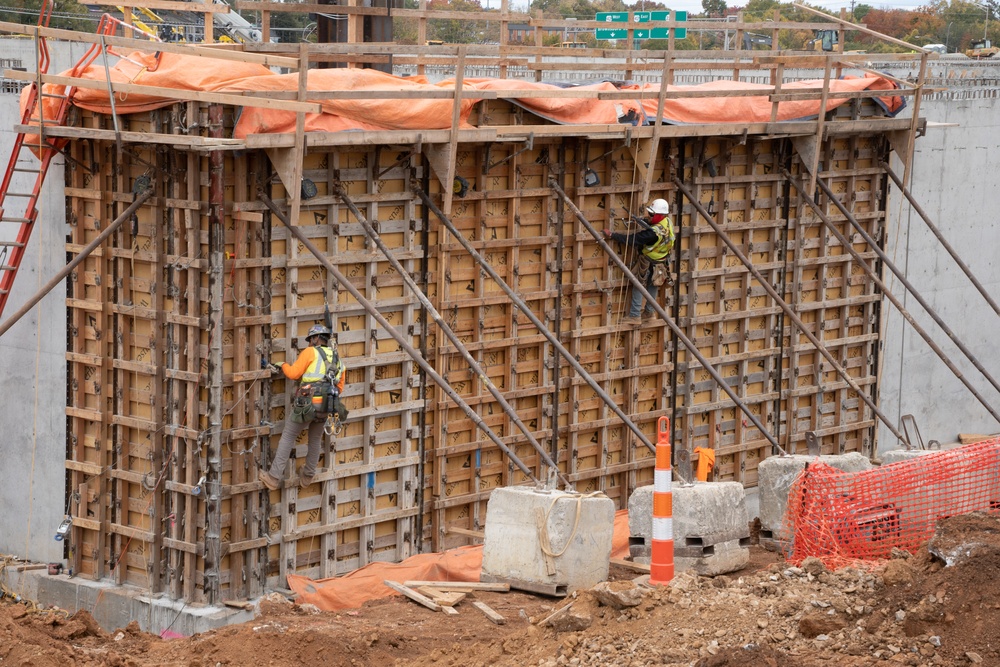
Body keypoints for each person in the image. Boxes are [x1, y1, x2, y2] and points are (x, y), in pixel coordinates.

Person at [260, 324, 346, 490]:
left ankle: (273, 477)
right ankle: (307, 476)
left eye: (310, 340)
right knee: (315, 439)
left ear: (315, 339)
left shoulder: (310, 352)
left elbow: (293, 374)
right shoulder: (338, 359)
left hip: (308, 403)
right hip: (328, 405)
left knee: (288, 435)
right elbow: (340, 388)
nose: (309, 343)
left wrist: (282, 364)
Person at [602, 198, 676, 324]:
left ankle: (635, 315)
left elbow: (633, 240)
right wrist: (643, 221)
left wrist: (612, 235)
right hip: (660, 264)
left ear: (660, 215)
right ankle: (649, 312)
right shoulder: (667, 222)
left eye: (651, 214)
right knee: (653, 285)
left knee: (638, 284)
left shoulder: (653, 234)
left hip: (648, 263)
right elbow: (653, 228)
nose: (649, 216)